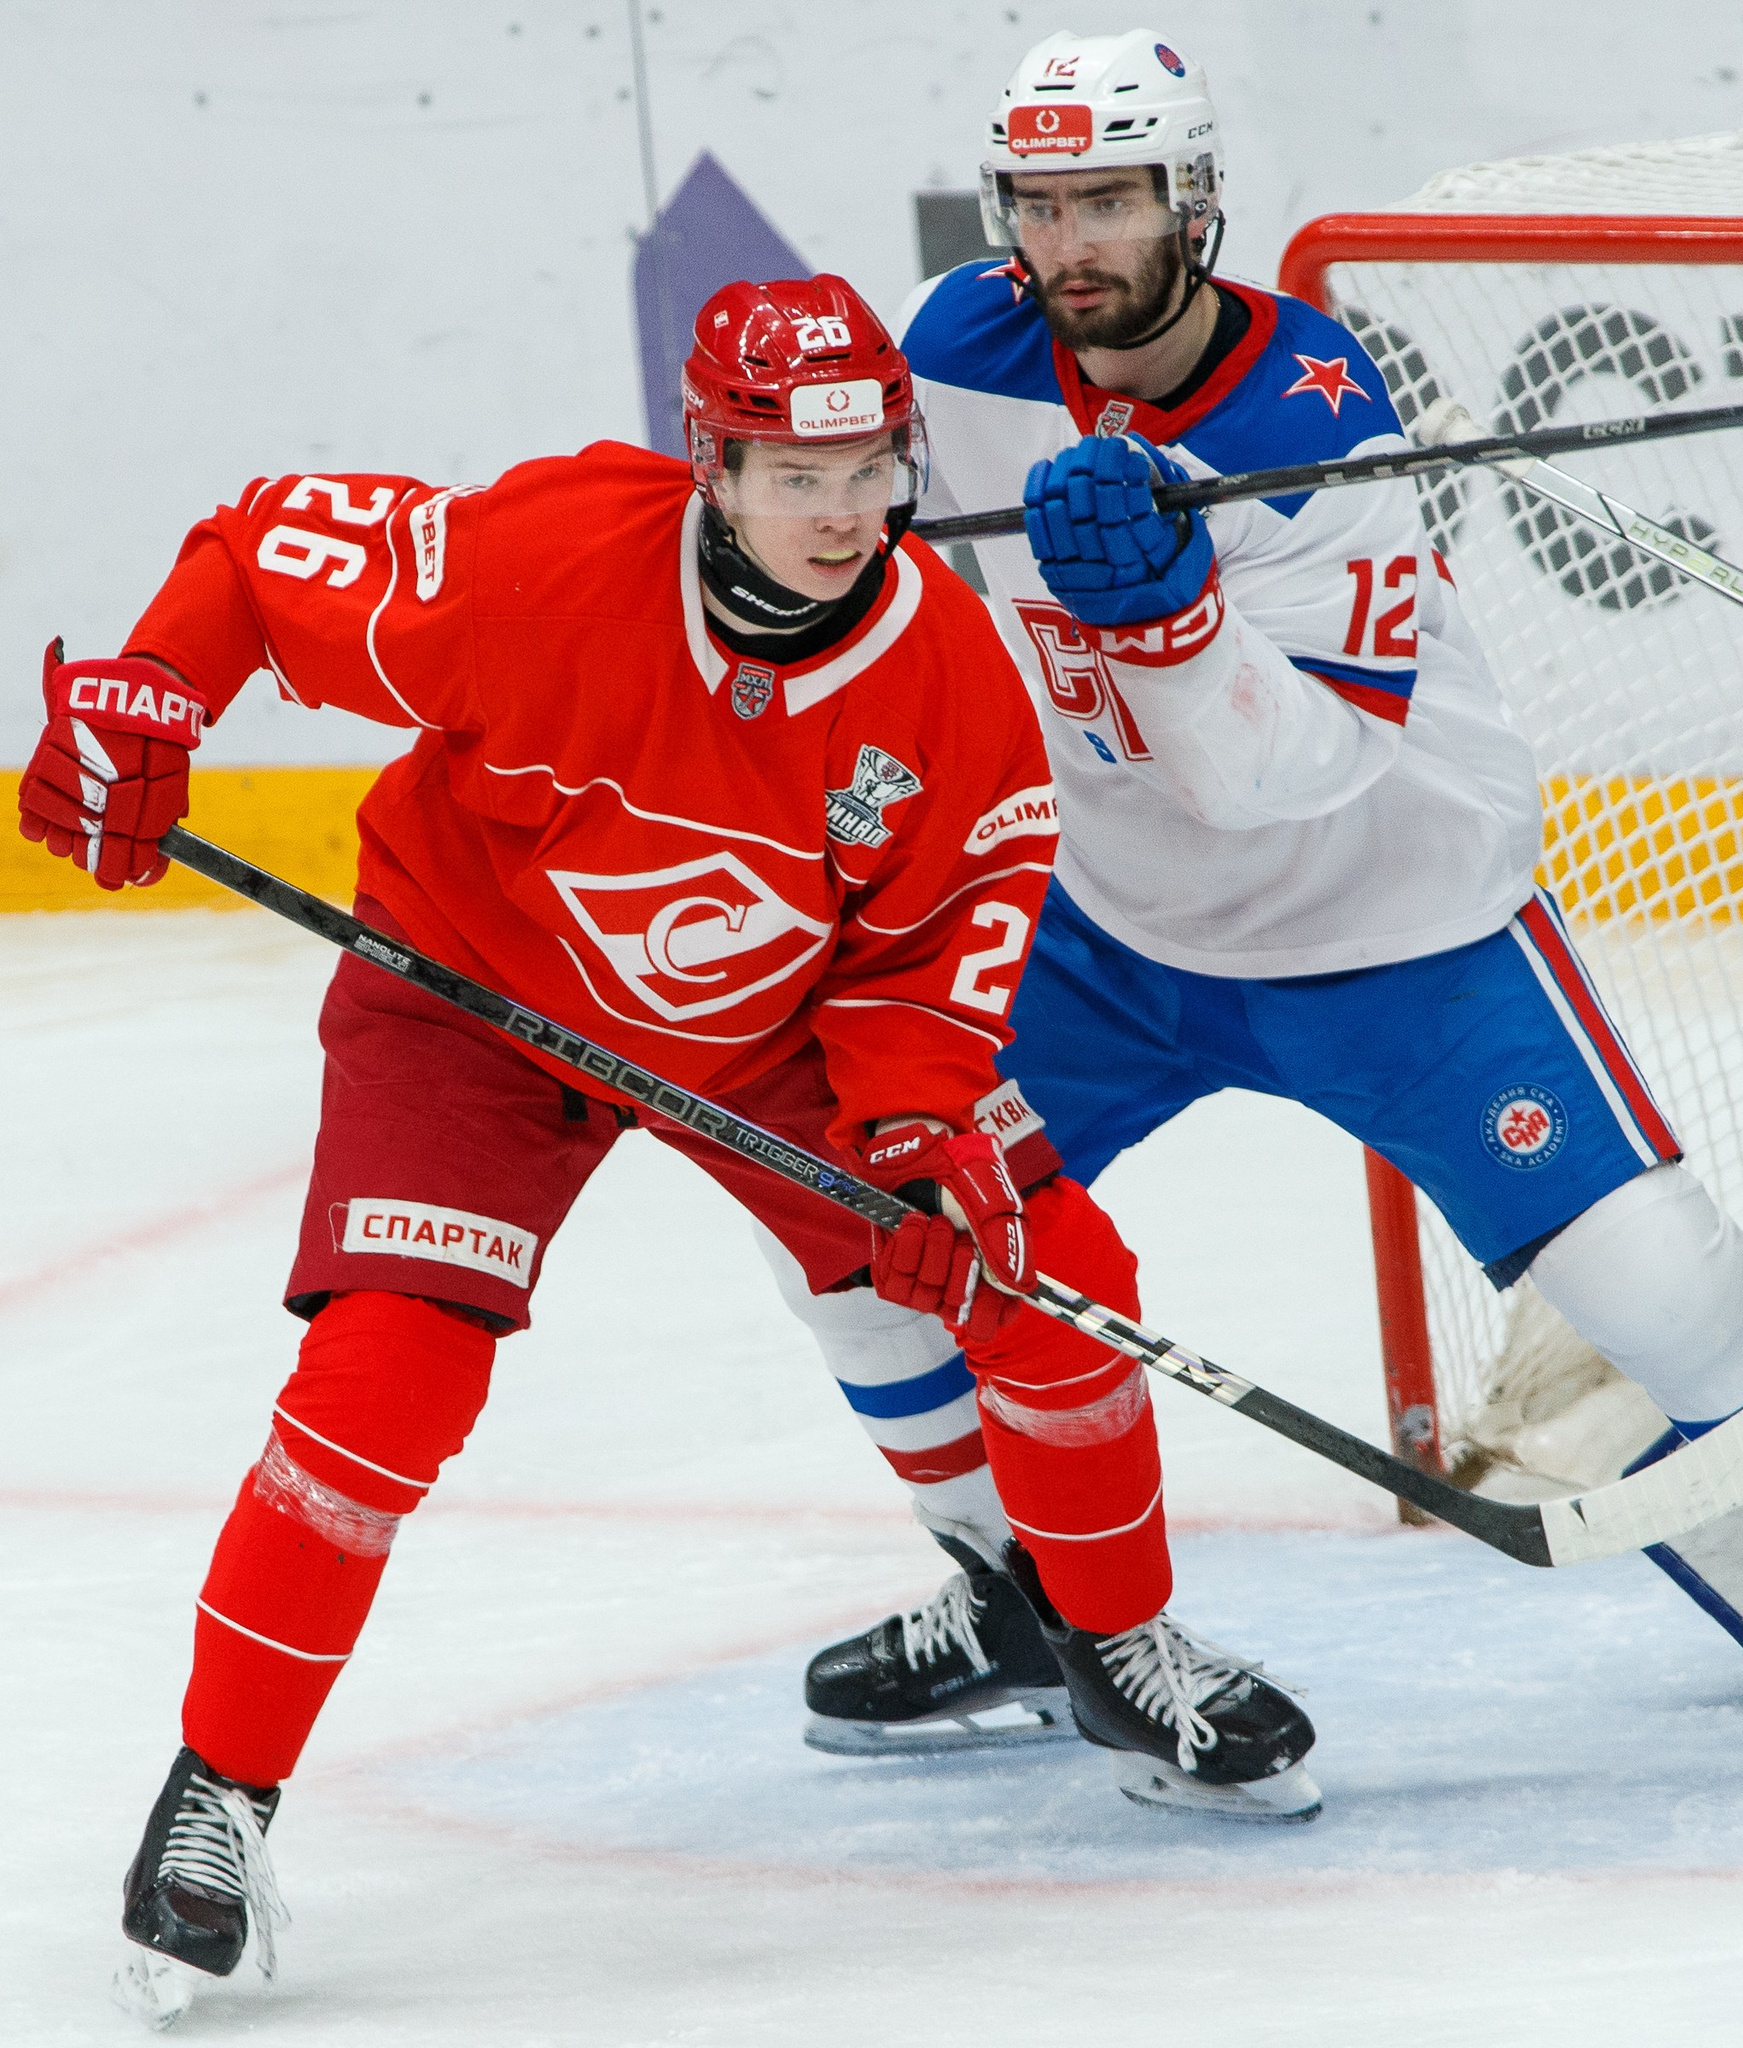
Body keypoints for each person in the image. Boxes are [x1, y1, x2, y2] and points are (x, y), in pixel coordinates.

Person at [19, 274, 1316, 2015]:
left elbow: (946, 934)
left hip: (775, 1029)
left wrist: (924, 1138)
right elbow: (260, 556)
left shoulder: (944, 673)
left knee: (1049, 1271)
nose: (847, 514)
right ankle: (220, 1796)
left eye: (873, 469)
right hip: (470, 995)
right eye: (798, 474)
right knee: (386, 1376)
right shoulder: (540, 564)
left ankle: (1109, 1638)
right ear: (710, 461)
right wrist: (155, 697)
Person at [775, 25, 1743, 1767]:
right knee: (848, 1225)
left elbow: (1283, 783)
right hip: (1105, 933)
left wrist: (1168, 620)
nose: (1076, 245)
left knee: (1657, 1280)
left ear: (1193, 201)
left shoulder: (1310, 420)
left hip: (1394, 930)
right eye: (1044, 204)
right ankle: (1008, 1583)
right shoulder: (959, 350)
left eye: (1115, 200)